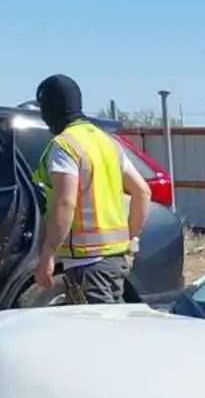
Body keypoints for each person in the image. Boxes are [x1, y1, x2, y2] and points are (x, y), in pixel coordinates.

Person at [30, 74, 150, 305]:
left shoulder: (64, 145)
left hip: (87, 265)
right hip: (116, 260)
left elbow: (65, 203)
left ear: (50, 109)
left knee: (100, 335)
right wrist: (128, 238)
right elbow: (142, 192)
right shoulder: (107, 142)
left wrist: (48, 254)